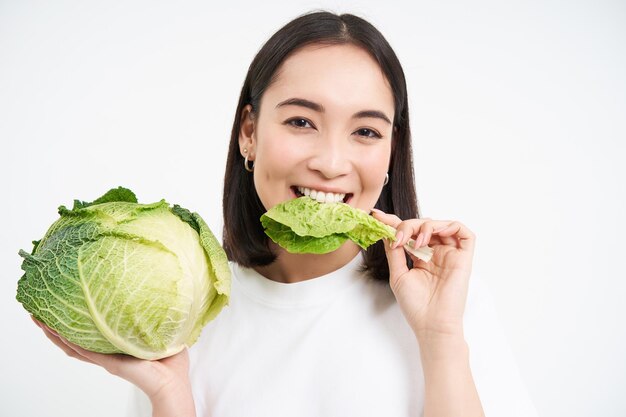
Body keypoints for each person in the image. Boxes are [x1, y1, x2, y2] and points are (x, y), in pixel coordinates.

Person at [33, 11, 536, 417]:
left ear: (390, 154)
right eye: (301, 121)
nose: (331, 163)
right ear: (248, 132)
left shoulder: (448, 308)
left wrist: (439, 338)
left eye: (365, 131)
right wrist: (169, 397)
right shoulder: (184, 317)